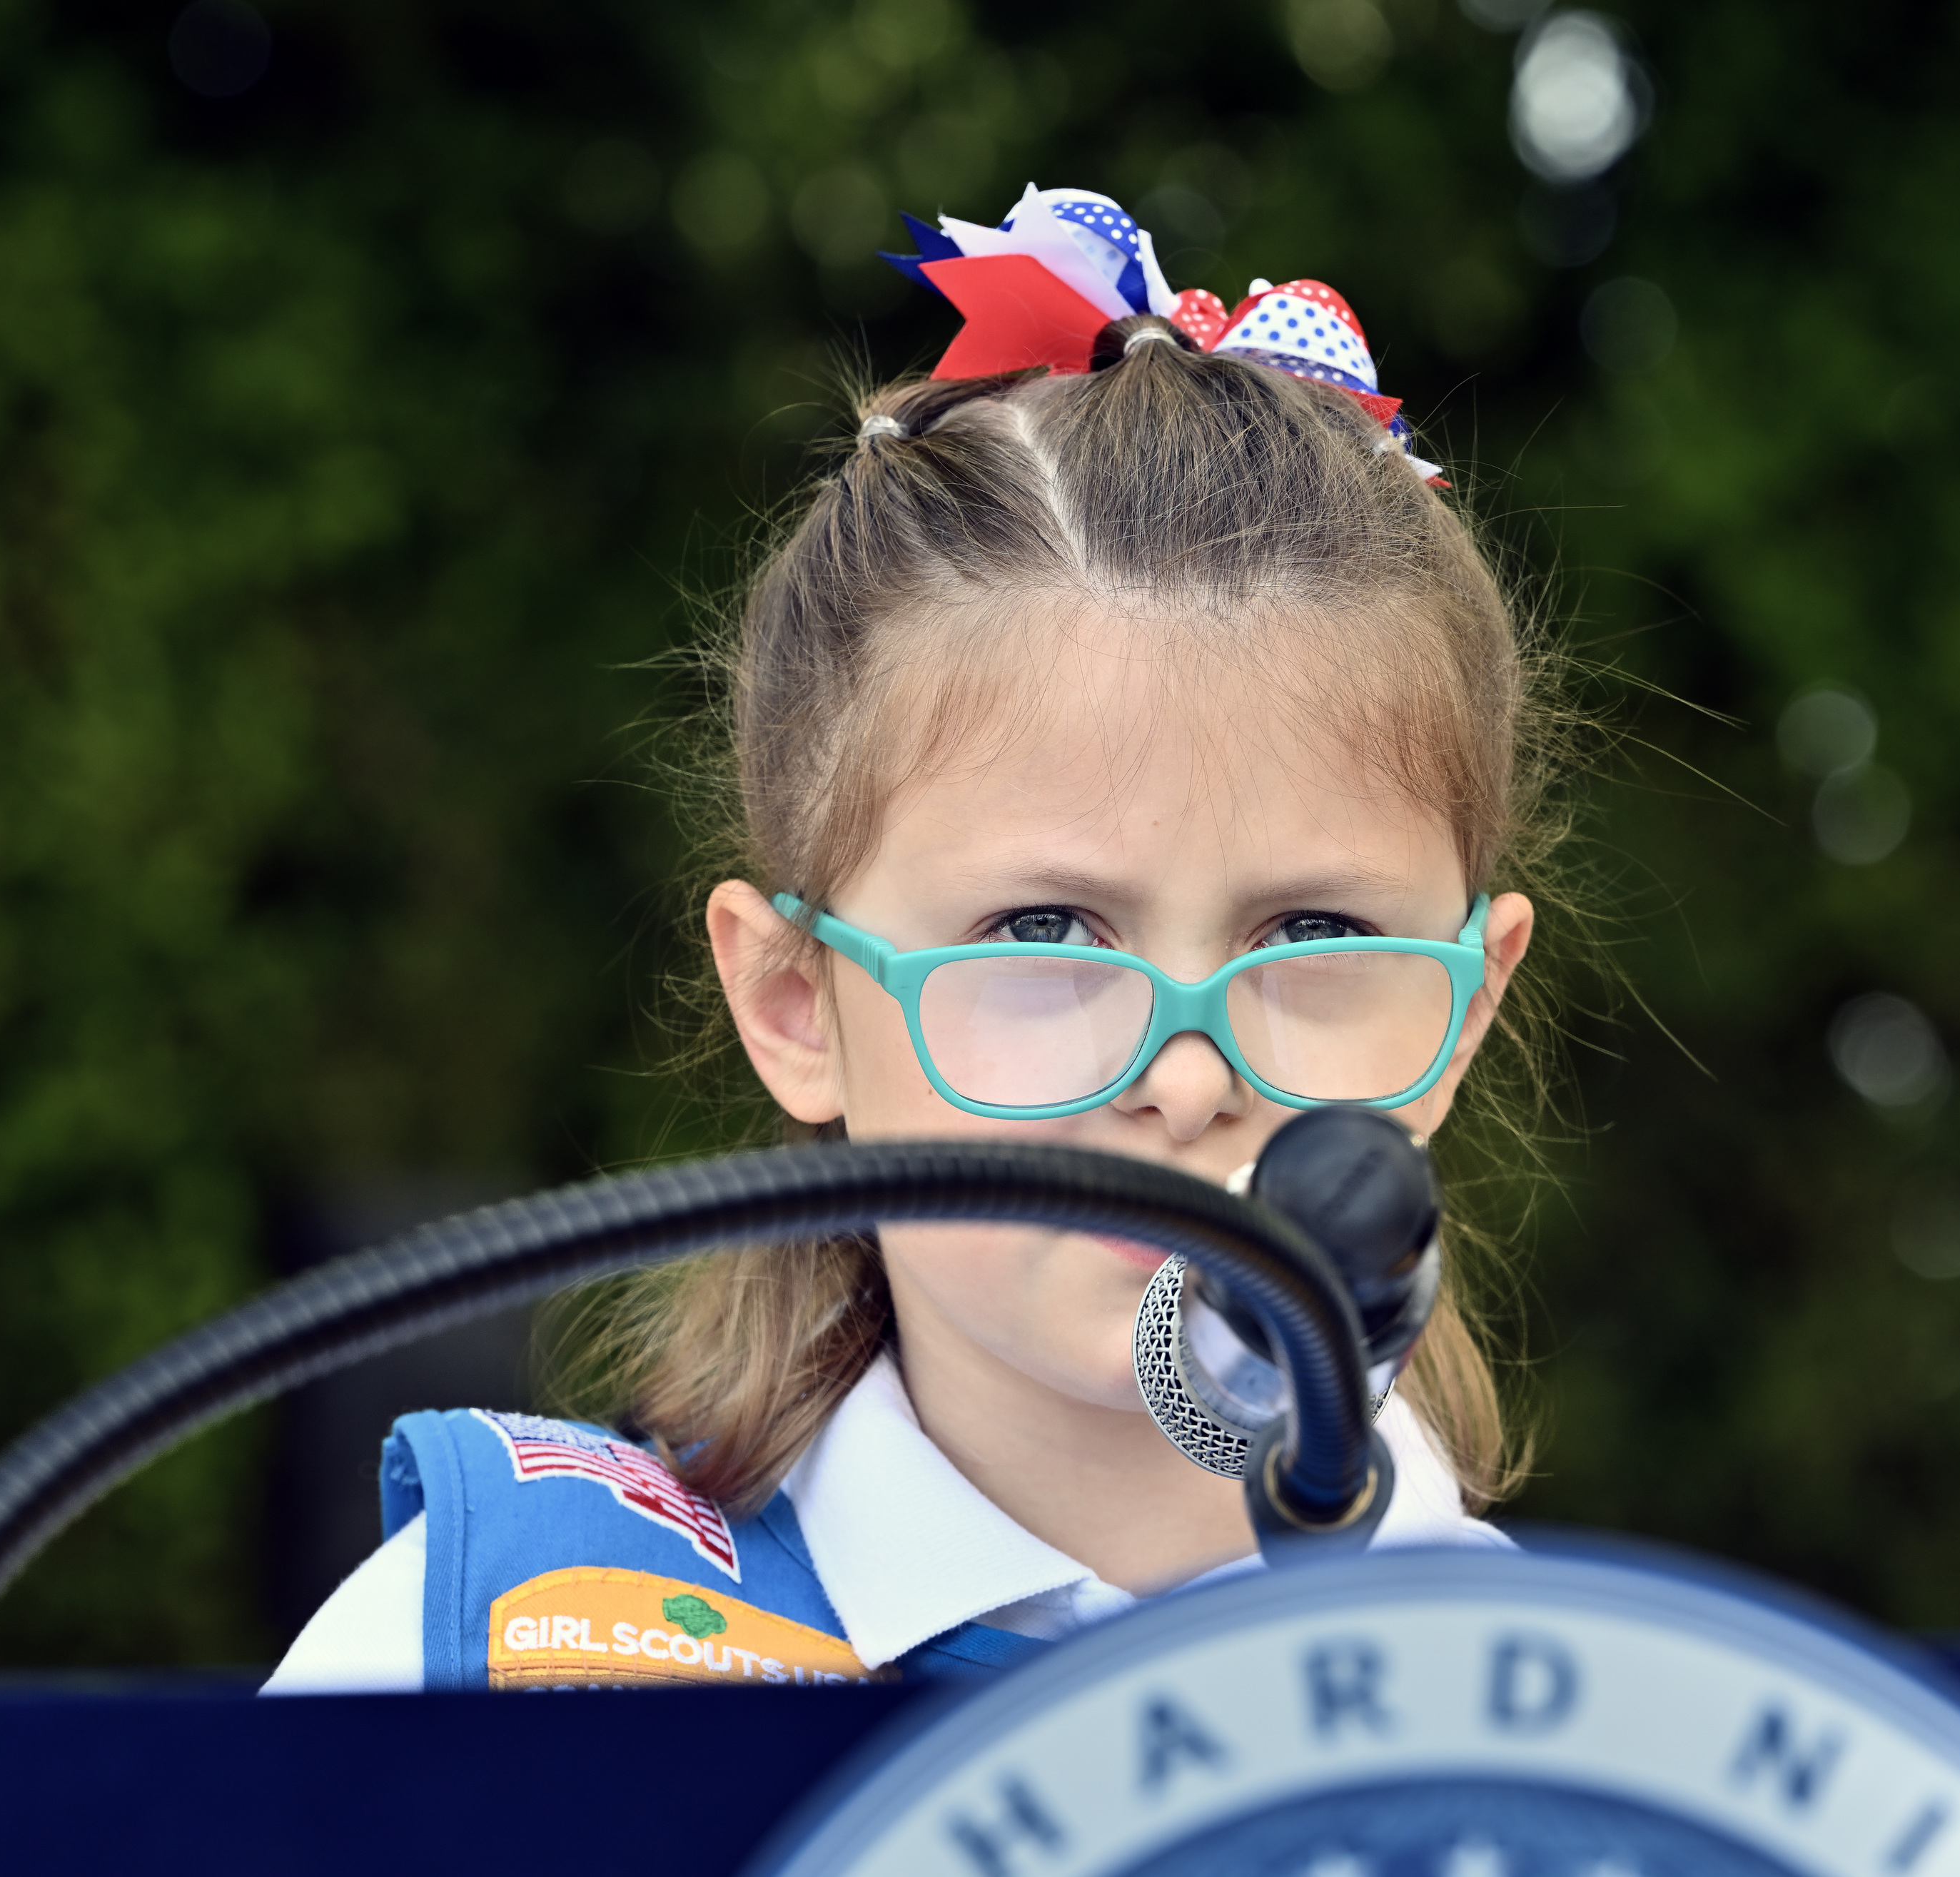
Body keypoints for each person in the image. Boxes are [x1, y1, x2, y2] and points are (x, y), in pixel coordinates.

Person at [266, 186, 1557, 1694]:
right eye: (1043, 925)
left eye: (1315, 928)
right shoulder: (492, 1658)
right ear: (796, 1000)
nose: (1189, 1077)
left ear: (1464, 1008)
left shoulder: (1616, 1729)